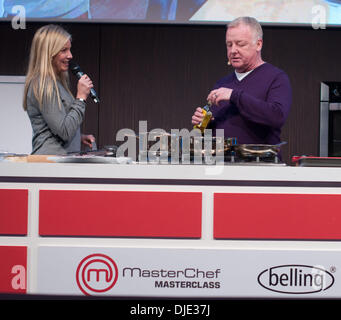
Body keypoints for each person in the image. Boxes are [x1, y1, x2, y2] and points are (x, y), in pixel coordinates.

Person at [191, 16, 292, 145]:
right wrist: (205, 124)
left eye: (240, 44)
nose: (233, 50)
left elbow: (277, 116)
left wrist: (234, 96)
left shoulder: (276, 78)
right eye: (229, 45)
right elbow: (218, 131)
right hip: (223, 161)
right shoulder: (222, 83)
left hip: (259, 162)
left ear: (258, 44)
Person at [23, 24, 95, 155]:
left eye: (69, 50)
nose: (70, 55)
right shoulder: (43, 84)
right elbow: (64, 132)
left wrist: (78, 137)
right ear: (49, 53)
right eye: (64, 50)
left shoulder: (55, 83)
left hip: (59, 163)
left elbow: (55, 129)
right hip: (49, 164)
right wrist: (80, 98)